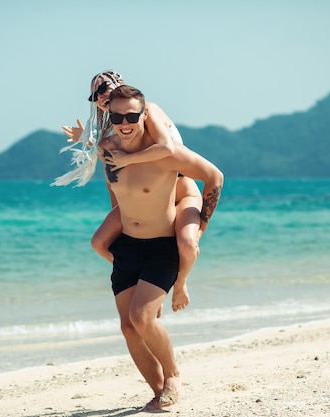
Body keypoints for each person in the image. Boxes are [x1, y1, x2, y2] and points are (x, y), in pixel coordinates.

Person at [100, 84, 223, 410]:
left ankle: (173, 377)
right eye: (117, 116)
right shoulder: (107, 150)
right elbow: (115, 194)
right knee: (128, 326)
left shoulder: (166, 153)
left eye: (132, 116)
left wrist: (201, 228)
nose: (124, 123)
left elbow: (214, 177)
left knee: (142, 317)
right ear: (109, 116)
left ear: (144, 115)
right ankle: (158, 391)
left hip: (162, 247)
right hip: (128, 245)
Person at [54, 70, 202, 313]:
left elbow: (163, 148)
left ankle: (179, 284)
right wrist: (89, 141)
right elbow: (114, 175)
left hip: (178, 188)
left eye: (102, 88)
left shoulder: (147, 111)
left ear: (119, 83)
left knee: (186, 244)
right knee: (100, 243)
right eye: (94, 95)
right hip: (146, 197)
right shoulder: (113, 131)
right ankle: (147, 280)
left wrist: (124, 160)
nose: (99, 96)